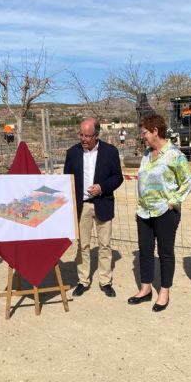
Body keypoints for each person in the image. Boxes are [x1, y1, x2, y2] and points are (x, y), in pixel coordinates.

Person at [127, 114, 191, 311]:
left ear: (156, 131)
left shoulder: (174, 155)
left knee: (165, 252)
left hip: (165, 212)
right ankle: (145, 288)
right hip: (144, 212)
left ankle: (164, 291)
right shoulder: (147, 155)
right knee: (145, 251)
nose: (143, 137)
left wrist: (173, 202)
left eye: (145, 133)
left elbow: (188, 180)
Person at [64, 117, 123, 298]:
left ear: (96, 135)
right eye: (81, 134)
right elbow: (67, 179)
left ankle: (105, 281)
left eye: (87, 136)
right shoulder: (72, 152)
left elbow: (117, 177)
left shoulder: (110, 151)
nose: (83, 139)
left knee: (105, 245)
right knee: (83, 245)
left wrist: (102, 188)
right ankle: (83, 281)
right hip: (82, 207)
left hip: (103, 203)